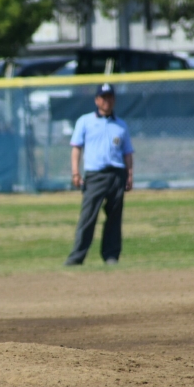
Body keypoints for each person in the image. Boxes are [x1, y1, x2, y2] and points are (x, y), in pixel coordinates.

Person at [64, 83, 134, 266]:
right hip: (95, 175)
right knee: (88, 217)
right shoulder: (85, 121)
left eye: (110, 97)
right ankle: (77, 257)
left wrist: (129, 175)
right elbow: (76, 148)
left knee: (114, 218)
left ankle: (111, 256)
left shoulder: (121, 125)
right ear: (96, 100)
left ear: (114, 100)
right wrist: (75, 172)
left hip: (117, 174)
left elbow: (127, 152)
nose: (106, 101)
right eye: (103, 97)